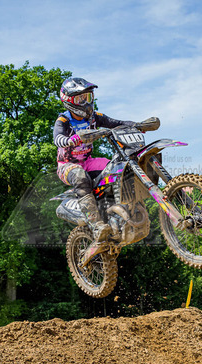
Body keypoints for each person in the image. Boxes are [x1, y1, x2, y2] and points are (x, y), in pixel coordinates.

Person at [53, 77, 135, 242]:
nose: (85, 102)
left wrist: (137, 125)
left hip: (88, 162)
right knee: (80, 176)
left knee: (117, 167)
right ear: (69, 101)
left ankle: (115, 210)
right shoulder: (63, 120)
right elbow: (57, 138)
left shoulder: (94, 117)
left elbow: (116, 123)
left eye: (88, 97)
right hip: (67, 165)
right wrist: (70, 140)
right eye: (80, 99)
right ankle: (96, 225)